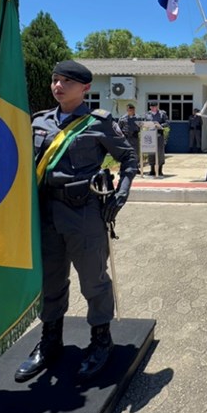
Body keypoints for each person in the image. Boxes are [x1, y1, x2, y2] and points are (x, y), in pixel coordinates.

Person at [16, 60, 138, 383]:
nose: (58, 86)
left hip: (83, 212)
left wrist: (121, 194)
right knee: (50, 280)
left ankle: (101, 340)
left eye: (66, 82)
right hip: (46, 212)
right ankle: (50, 340)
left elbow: (129, 158)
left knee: (93, 280)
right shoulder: (39, 122)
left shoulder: (98, 123)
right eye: (55, 80)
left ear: (85, 88)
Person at [144, 100, 169, 176]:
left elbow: (167, 122)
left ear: (157, 106)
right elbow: (145, 123)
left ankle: (160, 170)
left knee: (160, 152)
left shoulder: (162, 114)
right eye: (152, 107)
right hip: (150, 135)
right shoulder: (147, 114)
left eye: (155, 107)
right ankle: (152, 170)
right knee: (151, 152)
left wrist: (160, 125)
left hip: (159, 134)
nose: (153, 108)